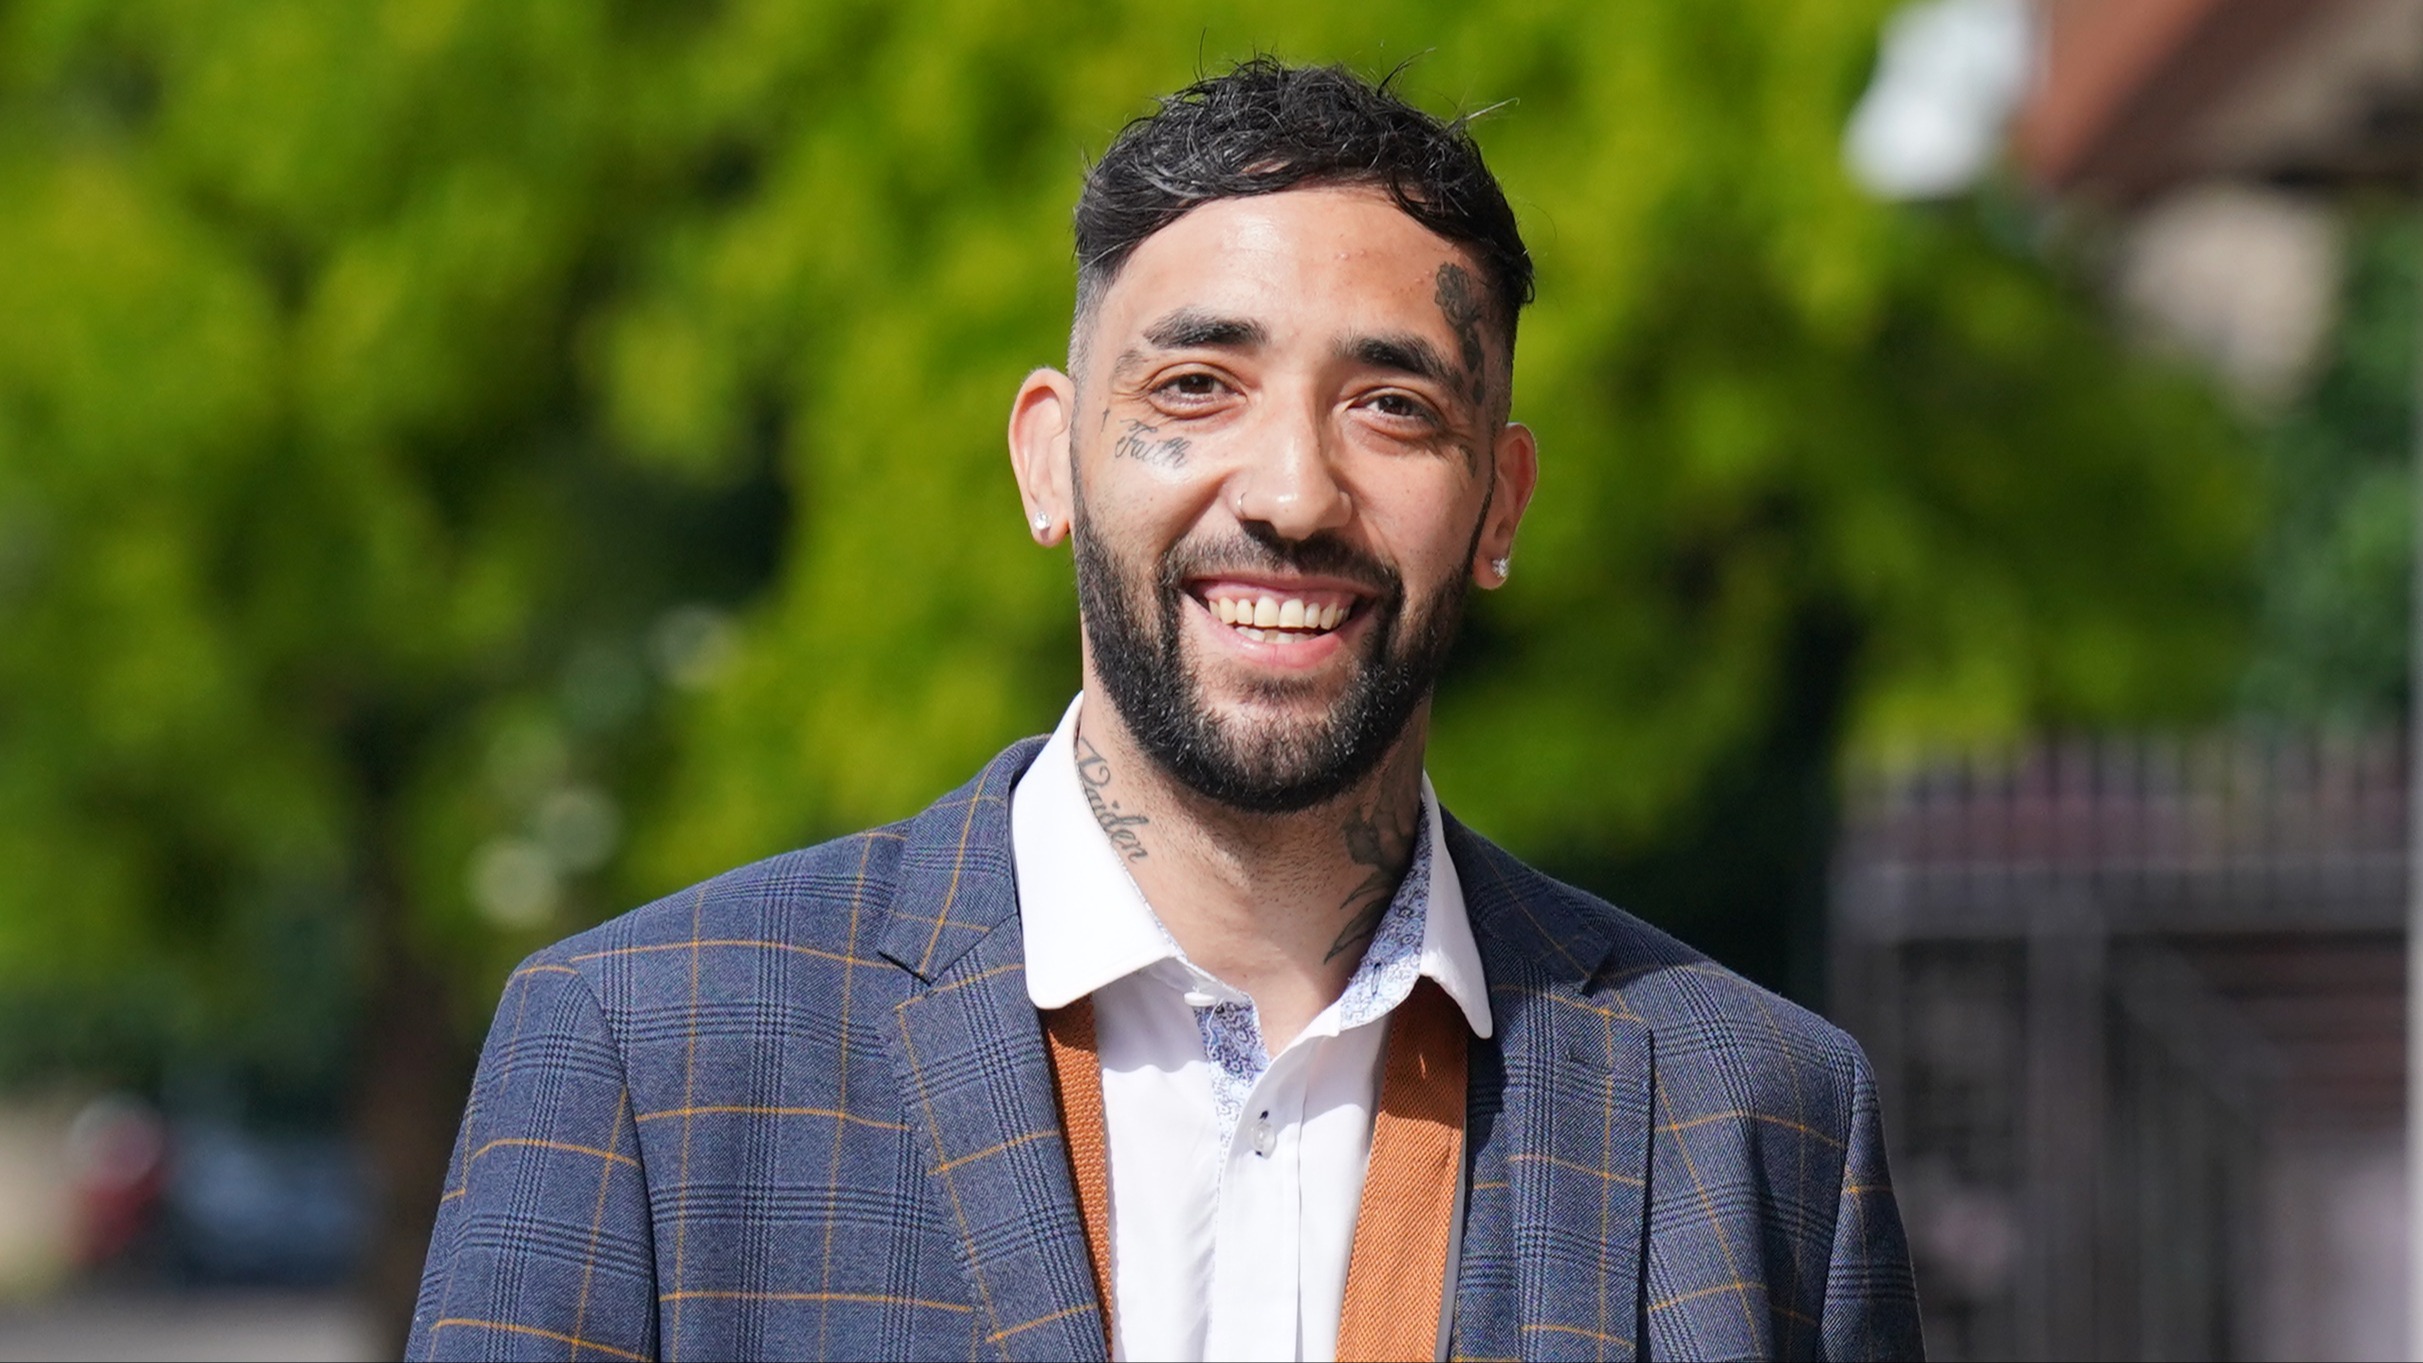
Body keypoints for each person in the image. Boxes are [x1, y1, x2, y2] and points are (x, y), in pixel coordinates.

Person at [407, 58, 1921, 1363]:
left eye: (1393, 406)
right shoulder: (647, 1063)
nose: (1288, 492)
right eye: (1196, 385)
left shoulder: (1756, 1124)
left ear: (1500, 503)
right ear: (1051, 461)